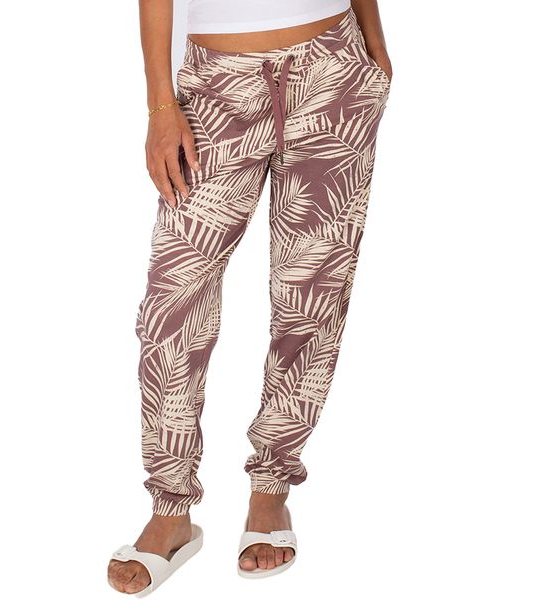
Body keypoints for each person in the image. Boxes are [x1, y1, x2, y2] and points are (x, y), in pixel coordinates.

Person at [108, 0, 392, 594]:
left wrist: (375, 46)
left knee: (311, 298)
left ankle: (271, 488)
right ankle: (171, 508)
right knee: (173, 306)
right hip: (217, 86)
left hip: (334, 72)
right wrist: (161, 105)